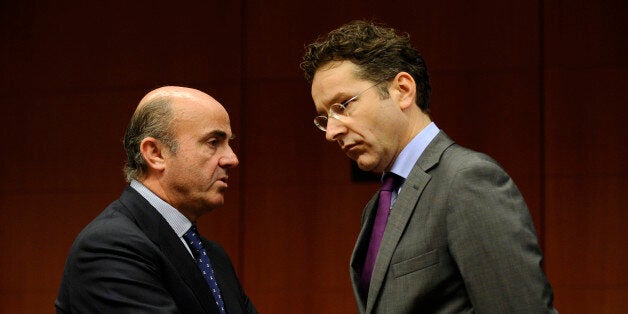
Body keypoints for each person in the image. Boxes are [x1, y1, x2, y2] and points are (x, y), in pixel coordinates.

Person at [301, 21, 557, 313]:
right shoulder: (378, 206)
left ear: (402, 90)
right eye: (324, 117)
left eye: (343, 105)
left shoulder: (466, 180)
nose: (331, 131)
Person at [55, 86, 257, 313]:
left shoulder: (214, 257)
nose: (232, 159)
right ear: (155, 153)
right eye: (213, 142)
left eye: (229, 143)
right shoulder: (109, 246)